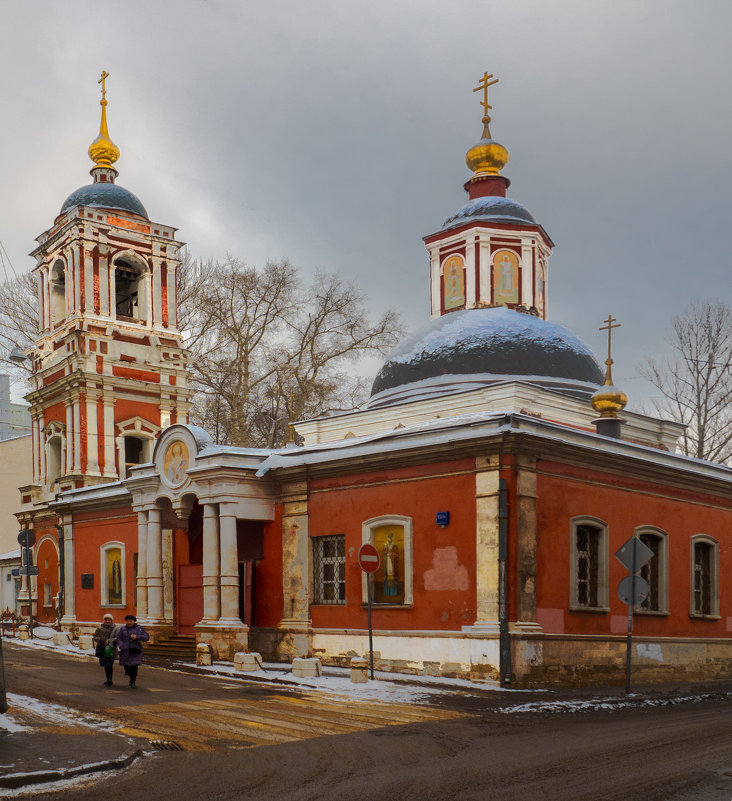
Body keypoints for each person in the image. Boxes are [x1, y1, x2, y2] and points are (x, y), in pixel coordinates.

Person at [116, 614, 149, 688]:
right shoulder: (123, 629)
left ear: (134, 621)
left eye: (131, 621)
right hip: (125, 650)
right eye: (128, 621)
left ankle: (132, 681)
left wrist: (137, 637)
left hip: (135, 650)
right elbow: (119, 638)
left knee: (134, 666)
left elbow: (146, 637)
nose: (129, 622)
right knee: (127, 666)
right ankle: (129, 674)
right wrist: (121, 645)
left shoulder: (139, 628)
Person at [92, 613, 119, 687]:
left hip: (111, 649)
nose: (108, 621)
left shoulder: (116, 629)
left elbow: (118, 638)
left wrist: (110, 641)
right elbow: (95, 638)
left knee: (109, 664)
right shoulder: (99, 629)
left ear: (112, 620)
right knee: (105, 665)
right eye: (106, 620)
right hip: (102, 649)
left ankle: (110, 679)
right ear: (104, 620)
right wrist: (103, 640)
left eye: (109, 620)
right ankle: (108, 679)